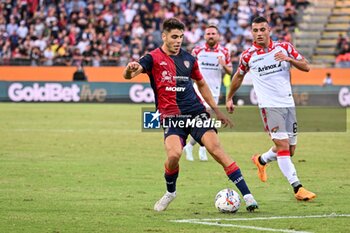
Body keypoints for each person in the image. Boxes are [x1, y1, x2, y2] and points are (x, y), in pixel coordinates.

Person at [123, 17, 258, 212]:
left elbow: (201, 84)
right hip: (170, 117)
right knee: (174, 155)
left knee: (216, 150)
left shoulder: (189, 59)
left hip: (196, 112)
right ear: (164, 36)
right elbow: (129, 75)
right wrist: (129, 70)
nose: (178, 41)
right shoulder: (152, 58)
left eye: (181, 37)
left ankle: (248, 196)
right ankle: (170, 193)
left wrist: (217, 111)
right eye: (174, 37)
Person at [226, 16, 316, 201]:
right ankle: (297, 188)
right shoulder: (248, 56)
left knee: (290, 151)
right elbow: (238, 76)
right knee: (282, 147)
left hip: (288, 104)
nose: (259, 33)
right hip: (269, 106)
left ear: (269, 30)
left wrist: (288, 59)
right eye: (255, 30)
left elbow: (306, 67)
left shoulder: (284, 48)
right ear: (252, 33)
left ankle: (261, 160)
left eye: (262, 30)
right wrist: (229, 97)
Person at [183, 25, 233, 162]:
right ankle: (202, 149)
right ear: (205, 36)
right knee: (205, 120)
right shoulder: (197, 51)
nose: (211, 36)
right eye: (208, 33)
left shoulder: (224, 52)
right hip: (199, 90)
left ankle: (190, 146)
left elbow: (231, 72)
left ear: (218, 36)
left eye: (213, 33)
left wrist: (223, 64)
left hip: (214, 92)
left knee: (204, 122)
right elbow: (188, 68)